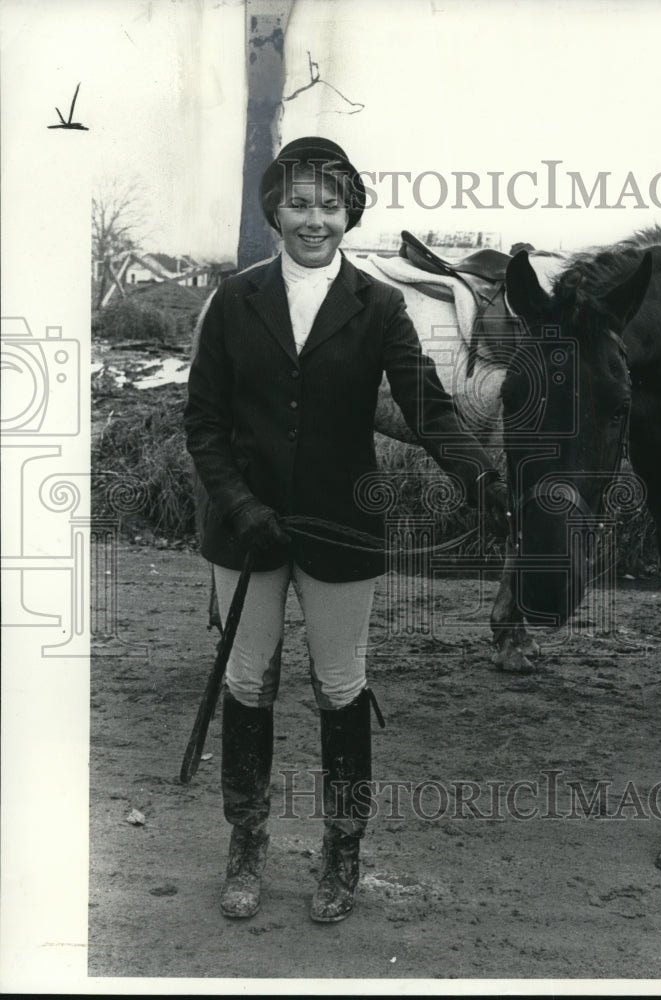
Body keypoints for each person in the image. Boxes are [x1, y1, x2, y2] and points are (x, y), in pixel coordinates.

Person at [184, 136, 509, 924]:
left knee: (341, 687)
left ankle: (342, 849)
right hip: (247, 533)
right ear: (274, 208)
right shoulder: (235, 301)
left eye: (330, 204)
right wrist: (240, 506)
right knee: (245, 682)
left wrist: (479, 475)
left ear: (350, 211)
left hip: (342, 530)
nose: (314, 220)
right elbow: (205, 423)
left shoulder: (380, 305)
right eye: (298, 202)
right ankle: (248, 840)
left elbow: (429, 408)